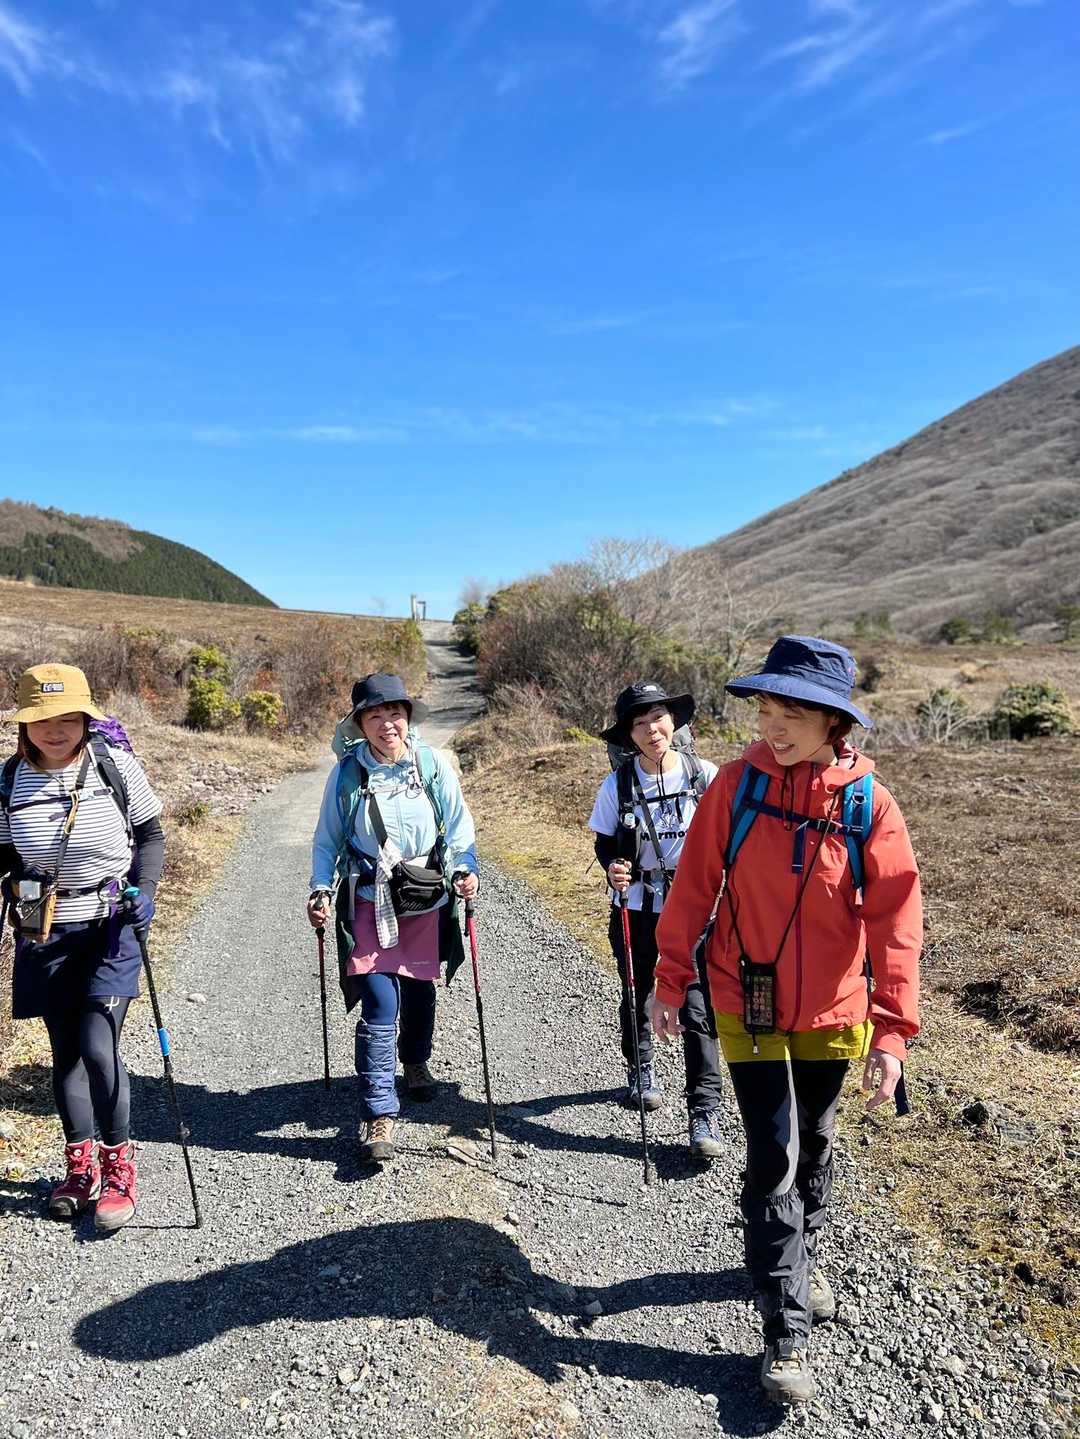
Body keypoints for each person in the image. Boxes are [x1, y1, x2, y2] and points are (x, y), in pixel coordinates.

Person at [650, 636, 922, 1404]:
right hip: (747, 1003)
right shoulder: (735, 788)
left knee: (816, 1145)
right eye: (766, 708)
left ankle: (798, 1257)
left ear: (834, 720)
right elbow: (693, 886)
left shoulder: (868, 804)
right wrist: (670, 979)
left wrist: (893, 1030)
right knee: (774, 1152)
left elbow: (897, 923)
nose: (772, 724)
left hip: (834, 1011)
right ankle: (784, 1327)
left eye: (791, 713)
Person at [0, 664, 164, 1232]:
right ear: (25, 724)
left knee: (98, 1046)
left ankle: (119, 1170)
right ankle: (80, 1170)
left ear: (87, 719)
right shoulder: (9, 780)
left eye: (68, 717)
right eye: (42, 718)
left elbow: (150, 834)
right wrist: (13, 881)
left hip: (110, 927)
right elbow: (6, 853)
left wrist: (145, 892)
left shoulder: (113, 764)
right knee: (66, 1052)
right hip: (45, 932)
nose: (56, 729)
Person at [308, 673, 479, 1165]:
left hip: (424, 895)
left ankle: (416, 1060)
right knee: (380, 999)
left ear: (407, 718)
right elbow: (327, 840)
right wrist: (320, 888)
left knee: (420, 989)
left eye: (395, 713)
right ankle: (378, 1110)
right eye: (375, 715)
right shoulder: (348, 775)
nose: (387, 724)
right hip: (369, 898)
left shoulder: (431, 765)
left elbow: (458, 826)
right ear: (360, 724)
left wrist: (465, 868)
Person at [589, 681, 724, 1159]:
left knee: (697, 1009)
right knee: (638, 991)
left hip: (695, 914)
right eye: (640, 723)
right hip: (636, 908)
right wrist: (613, 865)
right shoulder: (618, 784)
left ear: (674, 723)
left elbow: (728, 838)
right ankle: (641, 1068)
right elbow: (605, 841)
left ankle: (704, 1110)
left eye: (659, 718)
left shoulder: (705, 776)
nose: (652, 730)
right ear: (628, 735)